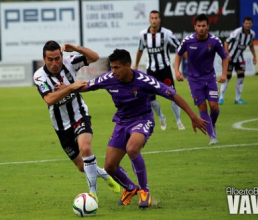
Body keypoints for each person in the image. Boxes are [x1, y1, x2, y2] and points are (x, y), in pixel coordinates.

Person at [80, 49, 208, 209]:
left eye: (117, 67)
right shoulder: (109, 78)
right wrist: (65, 88)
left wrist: (193, 116)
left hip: (142, 119)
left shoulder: (145, 81)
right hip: (121, 122)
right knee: (109, 166)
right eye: (111, 67)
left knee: (132, 148)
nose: (114, 71)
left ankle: (144, 192)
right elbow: (86, 86)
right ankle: (131, 188)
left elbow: (172, 95)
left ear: (128, 65)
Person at [33, 40, 120, 202]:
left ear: (62, 56)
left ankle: (93, 193)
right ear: (44, 59)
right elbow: (49, 99)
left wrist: (75, 48)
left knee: (85, 148)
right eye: (50, 59)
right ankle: (105, 176)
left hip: (79, 115)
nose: (54, 63)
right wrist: (71, 87)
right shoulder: (39, 76)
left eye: (57, 58)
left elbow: (94, 57)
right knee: (82, 167)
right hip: (60, 126)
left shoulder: (70, 62)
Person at [174, 14, 229, 145]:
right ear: (195, 27)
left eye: (203, 26)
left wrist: (224, 74)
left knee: (214, 107)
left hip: (210, 78)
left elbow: (225, 57)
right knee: (202, 106)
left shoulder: (215, 41)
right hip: (194, 80)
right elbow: (178, 54)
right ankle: (212, 136)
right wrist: (177, 70)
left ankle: (212, 124)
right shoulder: (188, 41)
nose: (201, 28)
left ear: (208, 27)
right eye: (199, 26)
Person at [134, 10, 185, 131]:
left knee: (172, 95)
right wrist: (135, 65)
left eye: (156, 18)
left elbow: (180, 48)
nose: (154, 20)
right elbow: (140, 49)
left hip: (165, 69)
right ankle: (161, 117)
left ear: (159, 19)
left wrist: (178, 69)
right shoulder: (143, 34)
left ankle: (178, 121)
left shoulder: (167, 33)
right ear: (149, 19)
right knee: (151, 98)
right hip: (151, 71)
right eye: (152, 18)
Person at [219, 17, 257, 105]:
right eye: (246, 23)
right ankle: (221, 98)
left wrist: (254, 56)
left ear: (251, 24)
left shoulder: (252, 34)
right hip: (230, 57)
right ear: (243, 24)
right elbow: (226, 42)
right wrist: (227, 54)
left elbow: (251, 45)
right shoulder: (237, 32)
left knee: (241, 76)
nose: (248, 25)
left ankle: (238, 99)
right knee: (227, 77)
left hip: (240, 58)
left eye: (249, 23)